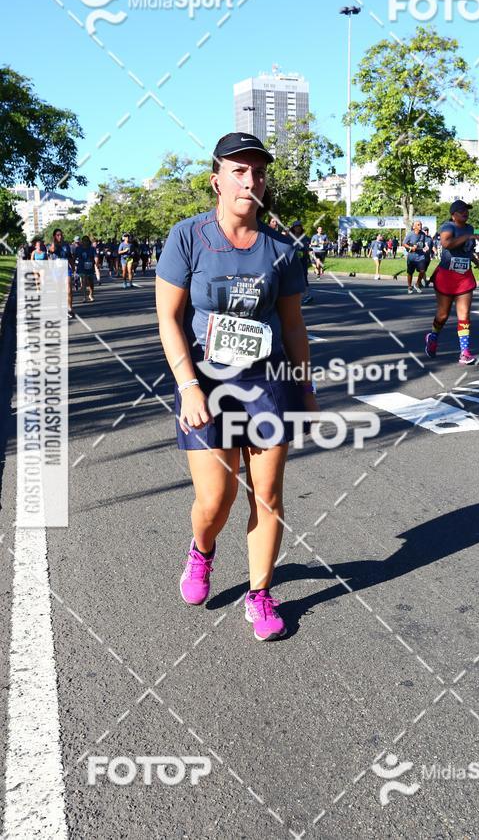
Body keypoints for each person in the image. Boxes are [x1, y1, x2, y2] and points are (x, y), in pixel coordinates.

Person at [155, 131, 317, 642]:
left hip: (267, 381)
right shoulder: (188, 237)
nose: (251, 180)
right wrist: (187, 387)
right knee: (216, 499)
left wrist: (305, 389)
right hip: (206, 382)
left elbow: (292, 326)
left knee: (267, 495)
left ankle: (260, 593)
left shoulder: (282, 250)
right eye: (240, 171)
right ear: (217, 180)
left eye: (259, 172)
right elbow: (168, 316)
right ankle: (202, 551)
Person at [425, 200, 479, 365]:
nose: (465, 212)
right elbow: (446, 243)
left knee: (464, 315)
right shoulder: (447, 227)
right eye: (462, 210)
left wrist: (474, 258)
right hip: (447, 276)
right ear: (453, 214)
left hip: (464, 276)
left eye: (467, 209)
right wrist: (467, 237)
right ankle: (433, 336)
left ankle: (464, 352)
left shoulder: (469, 228)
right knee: (443, 315)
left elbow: (466, 249)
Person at [47, 228, 75, 318]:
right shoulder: (52, 244)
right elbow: (51, 250)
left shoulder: (66, 244)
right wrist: (54, 242)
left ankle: (70, 309)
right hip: (56, 270)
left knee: (69, 289)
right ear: (55, 236)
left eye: (61, 234)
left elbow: (70, 256)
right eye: (58, 235)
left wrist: (73, 268)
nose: (60, 236)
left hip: (66, 269)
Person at [290, 219, 312, 303]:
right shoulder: (290, 237)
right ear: (293, 228)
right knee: (292, 278)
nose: (297, 229)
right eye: (296, 227)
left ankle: (306, 296)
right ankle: (293, 296)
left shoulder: (305, 237)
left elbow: (308, 246)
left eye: (299, 227)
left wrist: (309, 255)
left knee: (304, 277)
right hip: (292, 261)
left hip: (303, 261)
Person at [403, 220, 428, 293]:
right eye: (418, 225)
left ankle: (417, 284)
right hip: (411, 257)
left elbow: (422, 244)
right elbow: (404, 243)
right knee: (410, 272)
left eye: (420, 224)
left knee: (423, 270)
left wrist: (420, 246)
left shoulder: (423, 234)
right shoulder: (410, 234)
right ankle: (409, 286)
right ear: (414, 227)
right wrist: (410, 248)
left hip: (420, 256)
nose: (420, 226)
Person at [77, 235, 96, 302]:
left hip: (90, 267)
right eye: (84, 241)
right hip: (82, 267)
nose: (85, 242)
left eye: (87, 240)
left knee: (91, 281)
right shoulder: (78, 248)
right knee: (83, 281)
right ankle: (84, 296)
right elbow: (74, 257)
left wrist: (96, 262)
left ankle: (91, 294)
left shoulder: (92, 248)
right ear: (82, 241)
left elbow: (95, 256)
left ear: (88, 241)